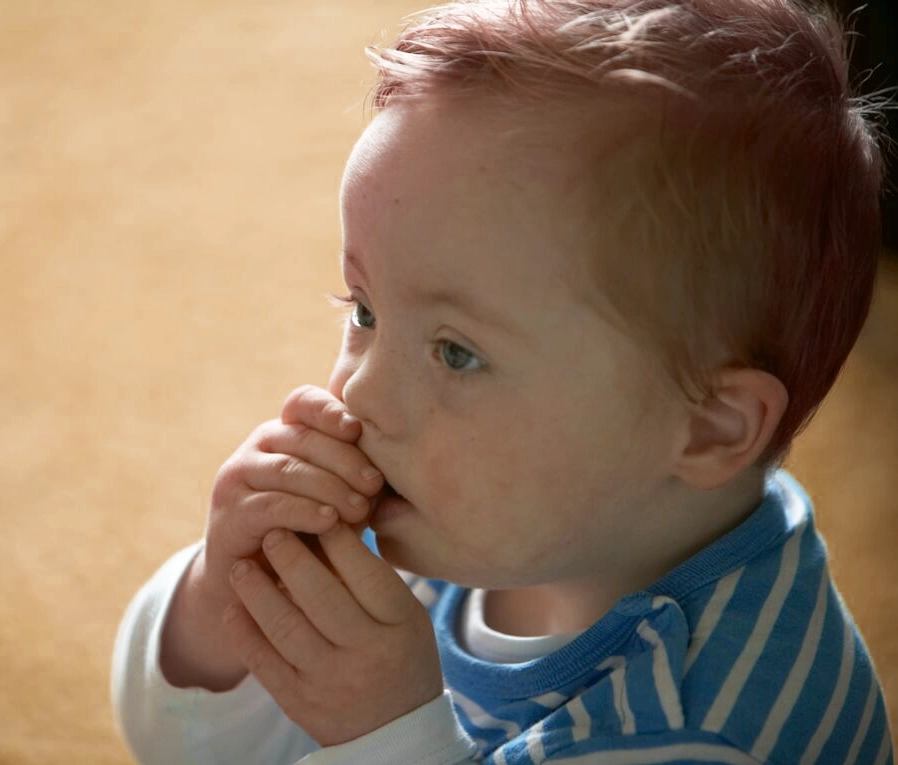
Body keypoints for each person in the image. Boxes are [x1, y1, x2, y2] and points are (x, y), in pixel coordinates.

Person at [111, 0, 895, 762]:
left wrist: (386, 733)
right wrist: (222, 601)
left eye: (457, 353)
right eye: (365, 309)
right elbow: (182, 744)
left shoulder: (695, 729)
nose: (357, 397)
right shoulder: (490, 516)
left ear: (708, 427)